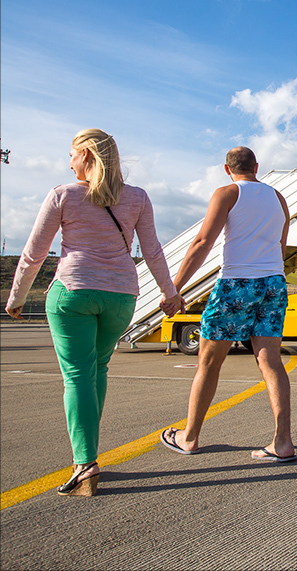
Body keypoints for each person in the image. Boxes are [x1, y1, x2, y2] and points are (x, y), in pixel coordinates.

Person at [5, 129, 183, 497]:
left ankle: (85, 463)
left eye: (72, 154)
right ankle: (89, 455)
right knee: (97, 369)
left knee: (76, 376)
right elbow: (152, 251)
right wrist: (169, 293)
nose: (69, 162)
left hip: (74, 291)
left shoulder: (64, 195)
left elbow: (34, 252)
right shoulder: (137, 198)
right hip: (121, 296)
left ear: (87, 155)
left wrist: (17, 296)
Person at [160, 147, 296, 462]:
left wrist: (174, 287)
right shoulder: (278, 198)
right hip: (273, 283)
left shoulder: (227, 193)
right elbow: (282, 244)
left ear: (227, 168)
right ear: (256, 167)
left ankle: (189, 437)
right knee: (271, 362)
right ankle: (283, 441)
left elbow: (203, 242)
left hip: (237, 283)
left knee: (209, 362)